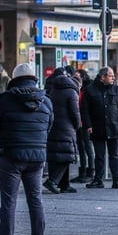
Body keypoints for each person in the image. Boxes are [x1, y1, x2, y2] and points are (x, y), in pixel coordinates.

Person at [0, 63, 53, 235]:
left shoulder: (5, 100)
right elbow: (49, 125)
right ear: (34, 78)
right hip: (37, 156)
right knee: (36, 199)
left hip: (11, 156)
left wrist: (3, 142)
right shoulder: (46, 101)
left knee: (8, 201)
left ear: (14, 79)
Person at [80, 66, 118, 189]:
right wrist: (88, 125)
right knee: (99, 156)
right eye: (111, 75)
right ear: (103, 77)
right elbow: (84, 110)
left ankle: (116, 180)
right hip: (97, 128)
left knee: (114, 155)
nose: (113, 78)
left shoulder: (116, 89)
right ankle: (98, 180)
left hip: (114, 127)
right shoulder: (90, 90)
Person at [44, 65, 80, 194]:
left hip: (54, 125)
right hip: (67, 127)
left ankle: (64, 184)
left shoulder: (53, 89)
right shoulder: (71, 91)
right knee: (67, 156)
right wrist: (77, 125)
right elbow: (75, 112)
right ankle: (52, 181)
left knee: (56, 155)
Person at [71, 68, 96, 184]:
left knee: (88, 147)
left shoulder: (88, 89)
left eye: (77, 76)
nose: (75, 78)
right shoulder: (77, 89)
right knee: (80, 147)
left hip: (85, 122)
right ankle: (83, 172)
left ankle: (90, 172)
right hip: (78, 122)